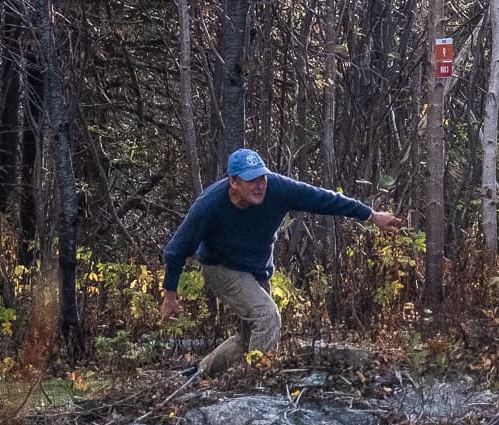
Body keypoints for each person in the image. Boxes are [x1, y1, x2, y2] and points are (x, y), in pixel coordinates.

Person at [159, 148, 401, 381]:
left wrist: (370, 215)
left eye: (262, 177)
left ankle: (198, 374)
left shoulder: (278, 188)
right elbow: (177, 249)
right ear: (233, 182)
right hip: (220, 268)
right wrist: (170, 294)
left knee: (248, 338)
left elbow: (323, 199)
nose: (260, 184)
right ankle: (255, 383)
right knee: (267, 317)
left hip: (256, 269)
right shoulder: (209, 204)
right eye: (251, 180)